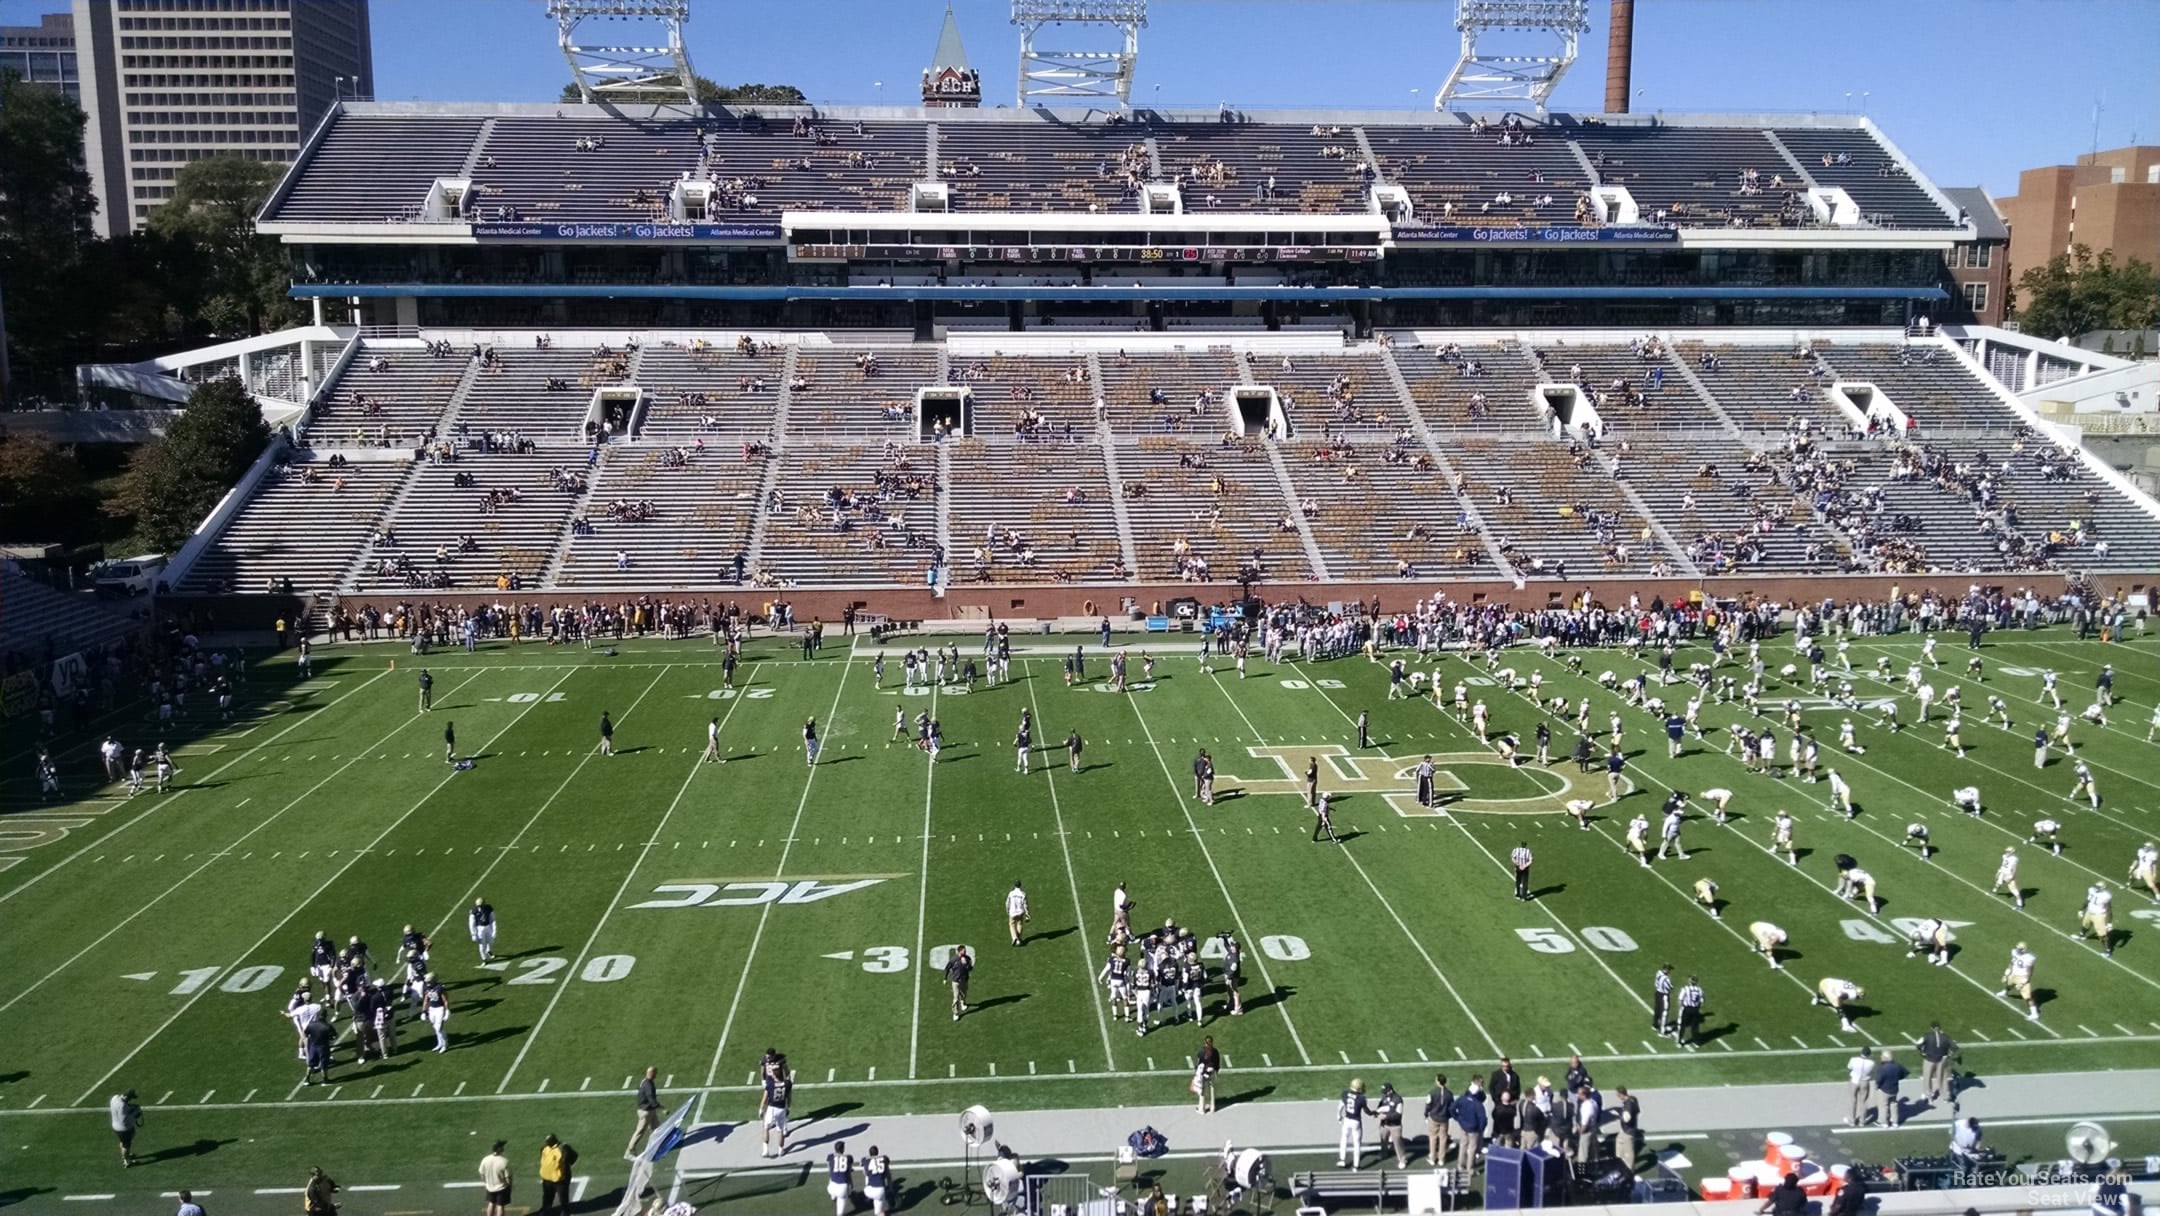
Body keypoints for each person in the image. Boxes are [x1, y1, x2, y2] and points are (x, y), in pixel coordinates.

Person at [1918, 1023, 1958, 1106]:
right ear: (1939, 1028)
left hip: (1929, 1059)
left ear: (1931, 1028)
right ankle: (1945, 1096)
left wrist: (1923, 1053)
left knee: (1927, 1077)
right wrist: (1948, 1055)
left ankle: (1929, 1096)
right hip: (1942, 1060)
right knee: (1943, 1078)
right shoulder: (1946, 1037)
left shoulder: (1927, 1036)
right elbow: (1955, 1047)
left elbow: (1918, 1045)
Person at [537, 1134, 576, 1216]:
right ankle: (564, 1212)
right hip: (560, 1179)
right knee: (563, 1198)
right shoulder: (563, 1148)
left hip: (546, 1178)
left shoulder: (544, 1148)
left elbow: (541, 1159)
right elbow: (574, 1157)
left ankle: (545, 1211)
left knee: (547, 1197)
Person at [628, 1067, 662, 1158]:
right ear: (651, 1073)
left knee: (656, 1129)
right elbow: (650, 1097)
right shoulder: (648, 1085)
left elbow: (642, 1092)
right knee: (640, 1131)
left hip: (650, 1110)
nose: (656, 1075)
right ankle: (630, 1151)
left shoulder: (644, 1081)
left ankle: (657, 1146)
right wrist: (661, 1108)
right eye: (655, 1073)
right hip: (646, 1112)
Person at [1337, 1078, 1370, 1169]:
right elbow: (1366, 1110)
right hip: (1356, 1121)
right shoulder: (1361, 1098)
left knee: (1344, 1139)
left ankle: (1342, 1160)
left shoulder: (1345, 1093)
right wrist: (1372, 1113)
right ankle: (1356, 1165)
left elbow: (1341, 1105)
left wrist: (1339, 1116)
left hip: (1347, 1120)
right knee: (1357, 1144)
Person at [1873, 1049, 1907, 1128]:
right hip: (1894, 1089)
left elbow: (1879, 1079)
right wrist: (1898, 1078)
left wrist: (1876, 1086)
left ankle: (1884, 1122)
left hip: (1884, 1090)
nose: (1881, 1057)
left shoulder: (1883, 1068)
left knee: (1883, 1106)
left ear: (1885, 1057)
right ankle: (1895, 1122)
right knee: (1894, 1105)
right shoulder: (1897, 1066)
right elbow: (1905, 1073)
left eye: (1882, 1056)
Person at [109, 1089, 143, 1167]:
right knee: (126, 1145)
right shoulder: (123, 1106)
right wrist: (136, 1114)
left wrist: (132, 1107)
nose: (131, 1100)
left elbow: (123, 1108)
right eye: (130, 1098)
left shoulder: (115, 1098)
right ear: (127, 1097)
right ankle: (127, 1162)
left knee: (125, 1141)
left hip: (115, 1125)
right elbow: (124, 1120)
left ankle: (126, 1155)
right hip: (123, 1129)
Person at [480, 1141, 512, 1216]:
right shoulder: (504, 1161)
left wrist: (486, 1184)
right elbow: (508, 1178)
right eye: (502, 1147)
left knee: (491, 1204)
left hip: (490, 1187)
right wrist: (509, 1186)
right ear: (499, 1149)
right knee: (500, 1206)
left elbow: (482, 1174)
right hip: (501, 1188)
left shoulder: (485, 1159)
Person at [1194, 1035, 1222, 1114]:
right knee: (1212, 1089)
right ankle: (1213, 1108)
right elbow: (1217, 1062)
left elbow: (1199, 1062)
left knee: (1202, 1090)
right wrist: (1216, 1070)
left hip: (1204, 1072)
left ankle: (1201, 1108)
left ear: (1205, 1042)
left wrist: (1197, 1071)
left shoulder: (1202, 1051)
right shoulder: (1215, 1051)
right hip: (1212, 1071)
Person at [825, 1141, 854, 1216]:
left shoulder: (830, 1156)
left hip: (832, 1187)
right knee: (840, 1213)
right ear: (843, 1149)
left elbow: (830, 1170)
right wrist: (851, 1183)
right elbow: (848, 1173)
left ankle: (833, 1196)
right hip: (842, 1188)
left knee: (831, 1177)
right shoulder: (849, 1158)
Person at [945, 945, 973, 1020]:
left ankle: (963, 1003)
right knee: (956, 998)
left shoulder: (967, 958)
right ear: (959, 951)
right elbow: (947, 968)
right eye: (963, 951)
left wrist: (966, 964)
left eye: (965, 951)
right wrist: (945, 978)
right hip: (956, 981)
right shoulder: (953, 960)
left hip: (964, 980)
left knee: (964, 993)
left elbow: (970, 968)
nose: (965, 952)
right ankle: (955, 1013)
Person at [863, 1145, 893, 1216]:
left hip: (869, 1190)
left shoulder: (865, 1160)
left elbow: (865, 1173)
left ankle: (868, 1198)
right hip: (880, 1190)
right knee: (879, 1213)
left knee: (867, 1176)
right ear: (878, 1152)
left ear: (869, 1153)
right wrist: (891, 1188)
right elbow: (889, 1176)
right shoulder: (884, 1159)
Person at [469, 897, 497, 963]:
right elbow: (471, 923)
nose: (480, 907)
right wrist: (473, 934)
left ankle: (489, 951)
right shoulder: (474, 911)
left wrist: (494, 930)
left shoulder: (488, 908)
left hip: (487, 926)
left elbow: (493, 919)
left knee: (490, 941)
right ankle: (484, 959)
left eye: (481, 905)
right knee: (482, 944)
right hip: (479, 929)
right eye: (479, 906)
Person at [1006, 882, 1029, 947]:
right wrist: (1027, 913)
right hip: (1020, 912)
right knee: (1020, 924)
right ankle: (1018, 939)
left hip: (1012, 913)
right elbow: (1025, 904)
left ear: (1014, 885)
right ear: (1020, 885)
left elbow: (1007, 903)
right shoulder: (1023, 894)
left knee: (1012, 925)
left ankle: (1014, 938)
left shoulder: (1011, 893)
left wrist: (1007, 910)